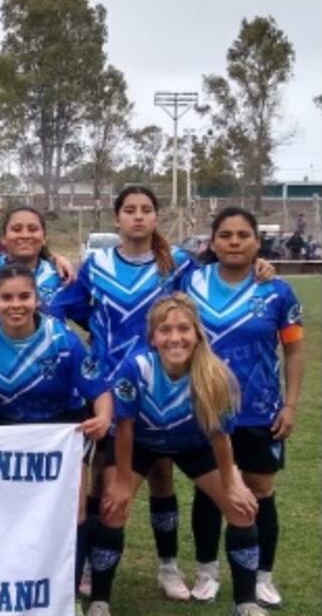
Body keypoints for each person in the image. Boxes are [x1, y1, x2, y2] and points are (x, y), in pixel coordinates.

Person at [87, 294, 264, 616]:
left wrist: (231, 483)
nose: (175, 337)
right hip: (140, 443)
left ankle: (245, 602)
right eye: (165, 330)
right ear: (152, 337)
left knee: (242, 510)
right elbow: (124, 429)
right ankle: (100, 601)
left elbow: (220, 436)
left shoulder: (215, 373)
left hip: (193, 445)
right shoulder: (136, 368)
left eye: (184, 329)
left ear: (197, 334)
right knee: (113, 509)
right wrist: (122, 483)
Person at [63, 184, 198, 600]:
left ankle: (168, 566)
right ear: (117, 217)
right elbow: (71, 306)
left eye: (146, 209)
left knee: (161, 474)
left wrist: (260, 268)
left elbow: (203, 300)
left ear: (156, 217)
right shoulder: (97, 264)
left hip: (159, 386)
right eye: (129, 210)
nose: (138, 216)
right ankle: (90, 562)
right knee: (102, 478)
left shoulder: (177, 264)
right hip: (106, 387)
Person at [0, 263, 112, 614]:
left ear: (37, 299)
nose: (16, 305)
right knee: (6, 510)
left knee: (72, 512)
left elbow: (98, 388)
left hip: (60, 430)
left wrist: (103, 416)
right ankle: (5, 584)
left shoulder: (62, 338)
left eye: (24, 296)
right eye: (7, 297)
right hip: (5, 430)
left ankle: (66, 594)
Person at [184, 207, 304, 607]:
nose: (234, 241)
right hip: (205, 407)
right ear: (213, 242)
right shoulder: (191, 281)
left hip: (260, 410)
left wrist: (290, 405)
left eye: (243, 235)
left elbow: (294, 350)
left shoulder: (278, 291)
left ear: (257, 241)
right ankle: (206, 571)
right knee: (210, 489)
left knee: (260, 491)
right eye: (226, 235)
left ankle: (262, 576)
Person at [0, 205, 77, 324]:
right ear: (3, 238)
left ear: (44, 238)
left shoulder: (62, 277)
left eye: (33, 229)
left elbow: (88, 319)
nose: (25, 235)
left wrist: (56, 258)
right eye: (16, 229)